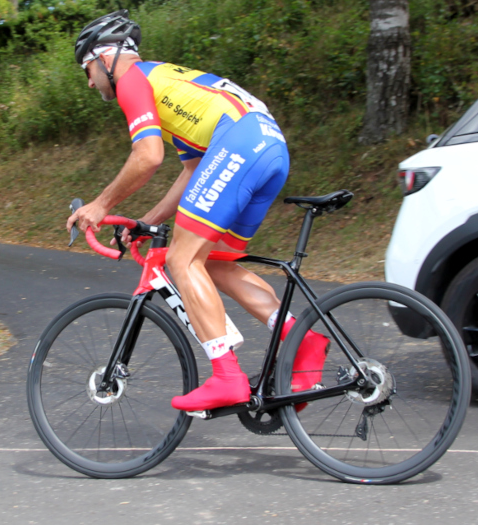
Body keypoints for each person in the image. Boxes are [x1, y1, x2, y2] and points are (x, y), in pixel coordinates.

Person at [66, 10, 329, 412]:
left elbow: (148, 155)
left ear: (106, 59)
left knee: (182, 260)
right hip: (268, 146)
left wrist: (101, 205)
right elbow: (193, 172)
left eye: (87, 68)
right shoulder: (168, 85)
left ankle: (227, 377)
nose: (88, 81)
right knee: (216, 264)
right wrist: (147, 222)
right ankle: (303, 340)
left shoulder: (134, 80)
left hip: (241, 144)